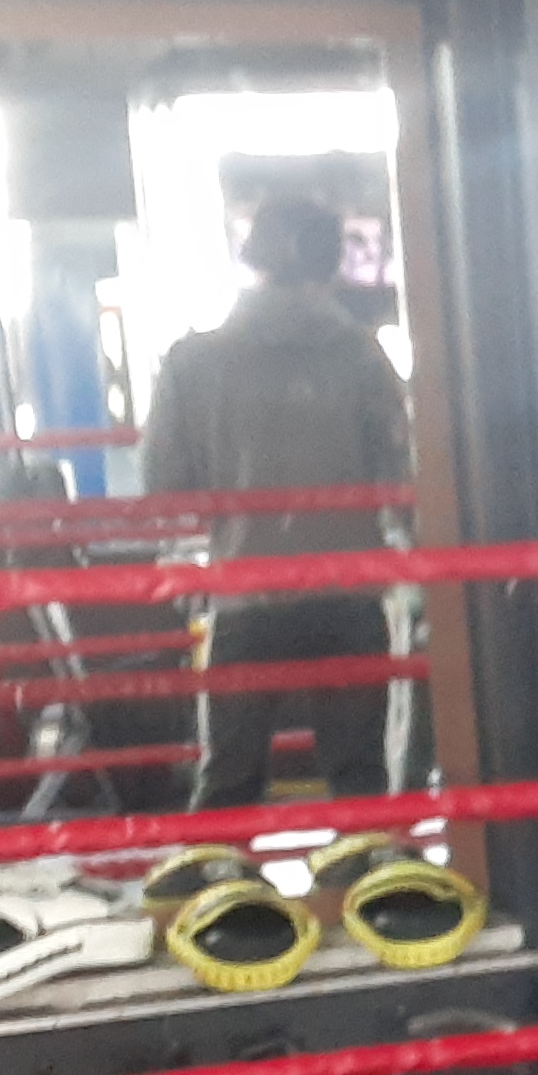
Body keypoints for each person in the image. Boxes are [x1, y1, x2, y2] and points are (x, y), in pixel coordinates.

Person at [138, 194, 414, 809]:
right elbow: (404, 477)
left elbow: (162, 482)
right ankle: (367, 870)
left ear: (251, 255)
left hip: (245, 587)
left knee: (229, 781)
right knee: (359, 779)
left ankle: (222, 869)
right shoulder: (363, 356)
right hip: (348, 589)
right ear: (332, 262)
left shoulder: (192, 361)